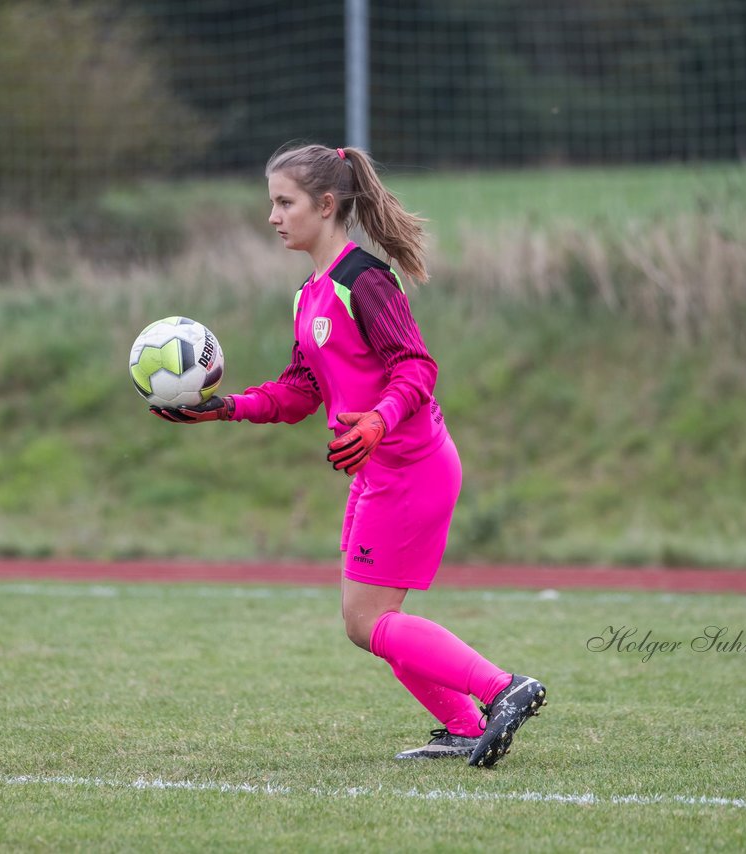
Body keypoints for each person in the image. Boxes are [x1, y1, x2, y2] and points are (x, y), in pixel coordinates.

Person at [150, 142, 546, 767]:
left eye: (285, 203)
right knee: (366, 620)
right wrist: (224, 407)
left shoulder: (364, 280)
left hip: (411, 467)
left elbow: (416, 367)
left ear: (326, 204)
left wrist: (379, 421)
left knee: (368, 621)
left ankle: (503, 689)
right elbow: (300, 391)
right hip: (376, 471)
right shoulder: (310, 293)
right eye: (271, 203)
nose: (273, 217)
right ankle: (468, 724)